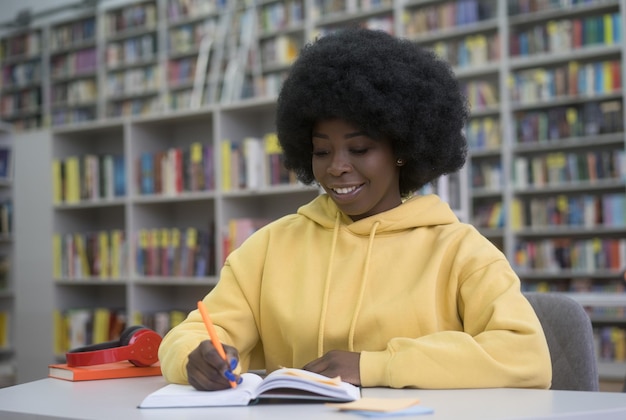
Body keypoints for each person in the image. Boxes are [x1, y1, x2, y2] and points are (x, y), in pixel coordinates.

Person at [158, 28, 552, 391]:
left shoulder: (461, 251)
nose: (336, 166)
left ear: (401, 149)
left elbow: (527, 358)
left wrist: (372, 367)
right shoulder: (269, 248)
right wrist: (194, 358)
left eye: (360, 149)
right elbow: (191, 335)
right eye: (321, 150)